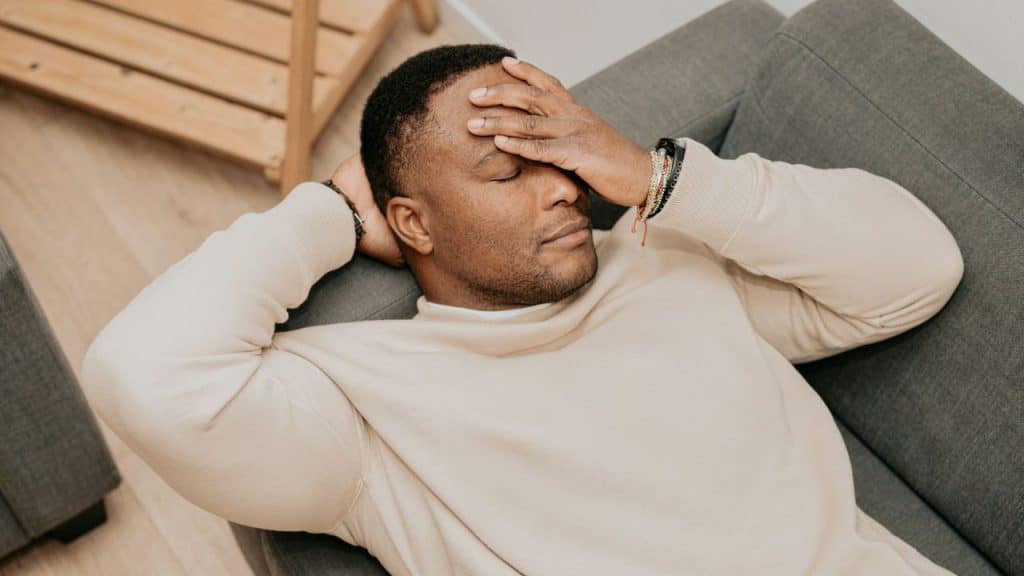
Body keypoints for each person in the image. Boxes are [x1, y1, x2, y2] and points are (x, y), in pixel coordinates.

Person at [80, 44, 965, 575]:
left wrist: (658, 179)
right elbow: (144, 378)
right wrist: (331, 214)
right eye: (509, 171)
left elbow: (918, 266)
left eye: (563, 151)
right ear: (412, 223)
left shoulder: (676, 266)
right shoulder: (363, 414)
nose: (562, 189)